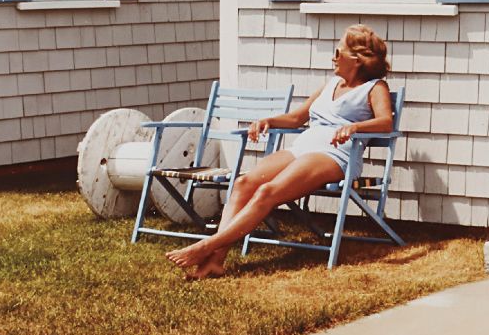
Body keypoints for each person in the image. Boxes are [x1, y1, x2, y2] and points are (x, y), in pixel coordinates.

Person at [166, 25, 393, 279]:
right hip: (303, 147)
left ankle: (207, 246)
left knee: (267, 192)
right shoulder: (331, 84)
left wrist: (354, 127)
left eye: (338, 51)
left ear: (357, 59)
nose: (333, 56)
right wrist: (269, 121)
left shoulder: (375, 87)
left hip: (335, 155)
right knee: (244, 183)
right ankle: (215, 262)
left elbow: (386, 123)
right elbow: (297, 118)